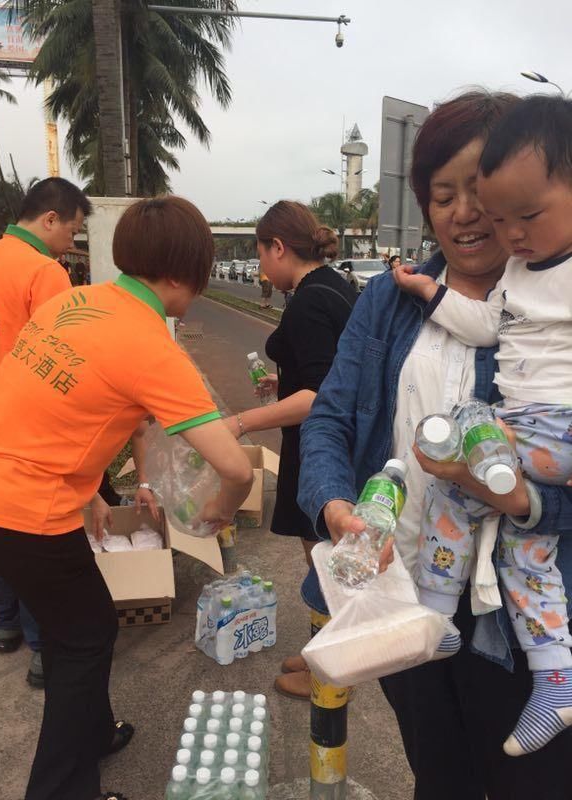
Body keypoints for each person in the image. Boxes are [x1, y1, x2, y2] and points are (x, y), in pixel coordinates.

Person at [298, 91, 572, 799]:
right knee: (438, 778)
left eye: (478, 190)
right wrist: (335, 507)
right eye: (441, 194)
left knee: (528, 784)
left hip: (520, 621)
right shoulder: (390, 299)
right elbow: (329, 419)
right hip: (410, 599)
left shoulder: (556, 312)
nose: (464, 212)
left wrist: (523, 502)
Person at [0, 196, 254, 800]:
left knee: (82, 621)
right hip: (29, 510)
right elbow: (234, 466)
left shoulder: (75, 300)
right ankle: (59, 790)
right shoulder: (151, 345)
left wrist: (91, 491)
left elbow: (57, 407)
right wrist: (220, 511)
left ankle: (95, 732)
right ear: (182, 276)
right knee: (83, 640)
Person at [394, 94, 572, 757]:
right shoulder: (522, 276)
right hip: (525, 434)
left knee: (463, 450)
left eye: (525, 216)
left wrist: (527, 496)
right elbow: (486, 323)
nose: (512, 233)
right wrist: (426, 294)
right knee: (526, 554)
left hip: (553, 435)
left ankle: (440, 611)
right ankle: (556, 676)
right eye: (508, 219)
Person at [224, 200, 358, 698]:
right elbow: (332, 374)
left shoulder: (307, 300)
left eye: (262, 254)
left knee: (324, 562)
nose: (260, 267)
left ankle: (329, 673)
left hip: (322, 450)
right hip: (339, 445)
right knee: (326, 560)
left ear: (278, 247)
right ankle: (322, 650)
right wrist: (286, 380)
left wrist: (239, 422)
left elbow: (320, 394)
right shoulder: (333, 287)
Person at [0, 177, 91, 689]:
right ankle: (43, 648)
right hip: (26, 427)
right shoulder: (45, 272)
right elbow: (59, 355)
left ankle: (4, 625)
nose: (73, 240)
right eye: (73, 229)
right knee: (35, 535)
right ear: (50, 220)